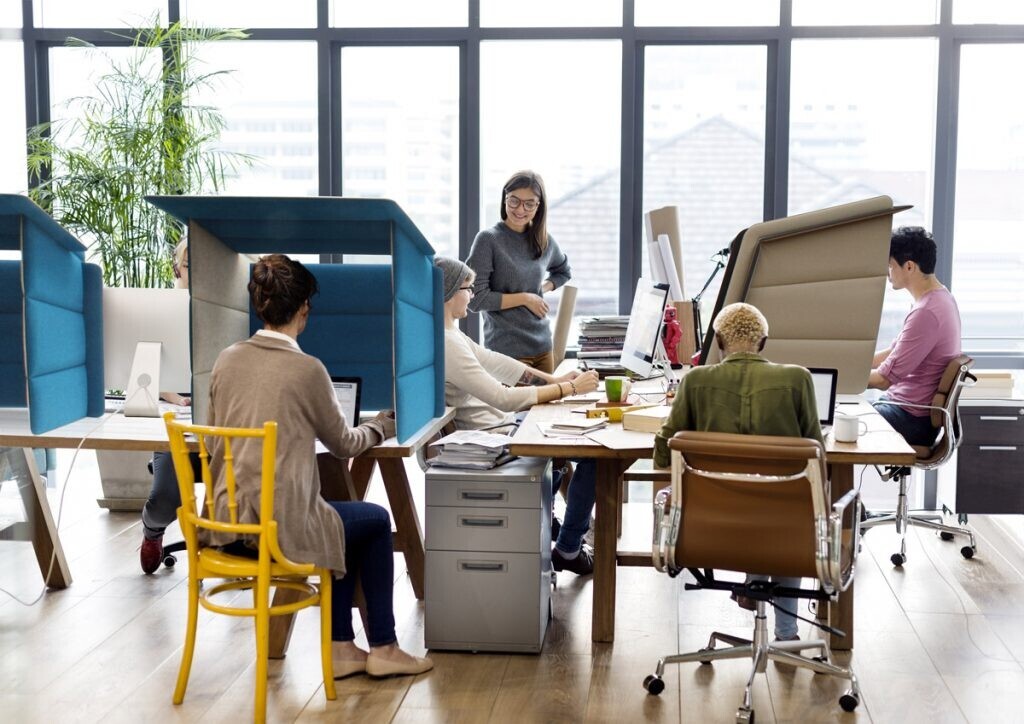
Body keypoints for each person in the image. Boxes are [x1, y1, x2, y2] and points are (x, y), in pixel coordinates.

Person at [206, 254, 432, 678]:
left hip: (227, 523)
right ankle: (383, 646)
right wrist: (381, 426)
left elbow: (215, 435)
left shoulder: (226, 359)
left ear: (260, 304)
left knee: (335, 516)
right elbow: (345, 444)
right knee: (374, 519)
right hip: (277, 530)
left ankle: (344, 648)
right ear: (305, 309)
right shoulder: (307, 369)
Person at [653, 302, 824, 644]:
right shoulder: (798, 378)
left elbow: (662, 450)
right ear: (763, 343)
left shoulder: (696, 381)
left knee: (754, 506)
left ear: (718, 341)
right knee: (789, 510)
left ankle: (753, 583)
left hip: (713, 526)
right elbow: (816, 455)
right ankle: (786, 633)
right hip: (784, 528)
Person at [436, 257, 602, 575]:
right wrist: (567, 390)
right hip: (495, 437)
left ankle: (550, 527)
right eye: (468, 289)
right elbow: (504, 398)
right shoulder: (447, 343)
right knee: (595, 456)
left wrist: (555, 381)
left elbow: (499, 364)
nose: (472, 296)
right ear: (451, 292)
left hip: (504, 427)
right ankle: (568, 548)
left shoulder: (451, 333)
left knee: (564, 449)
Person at [467, 170, 571, 373]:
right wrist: (525, 298)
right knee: (516, 405)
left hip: (543, 347)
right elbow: (475, 299)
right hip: (507, 351)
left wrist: (541, 288)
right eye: (514, 201)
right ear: (505, 198)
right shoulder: (488, 240)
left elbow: (563, 271)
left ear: (538, 206)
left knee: (549, 405)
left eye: (529, 203)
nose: (520, 209)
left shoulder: (544, 241)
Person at [868, 226, 962, 447]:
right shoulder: (939, 298)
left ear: (909, 266)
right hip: (906, 410)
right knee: (842, 413)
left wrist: (840, 376)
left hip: (911, 420)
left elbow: (883, 380)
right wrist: (852, 365)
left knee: (838, 421)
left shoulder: (926, 312)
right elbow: (893, 353)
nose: (886, 272)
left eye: (890, 266)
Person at [140, 237, 198, 574]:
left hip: (226, 421)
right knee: (164, 501)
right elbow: (140, 365)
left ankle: (237, 548)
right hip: (177, 417)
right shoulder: (163, 309)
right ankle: (152, 530)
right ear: (177, 268)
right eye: (190, 264)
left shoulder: (235, 308)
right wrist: (170, 394)